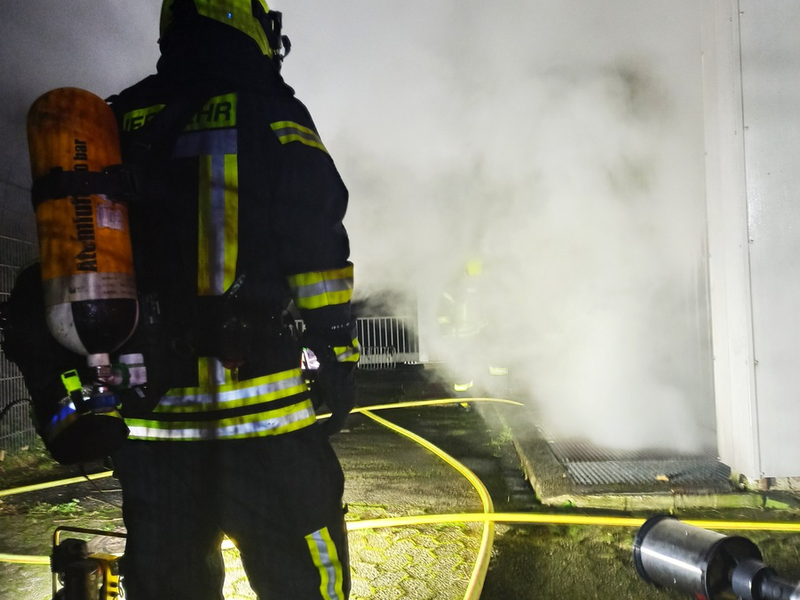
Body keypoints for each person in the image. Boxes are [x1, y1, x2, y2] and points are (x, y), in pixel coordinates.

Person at [106, 1, 359, 598]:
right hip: (264, 423)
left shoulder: (120, 118)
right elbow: (316, 242)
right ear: (247, 22)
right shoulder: (271, 112)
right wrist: (338, 353)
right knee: (306, 580)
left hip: (154, 428)